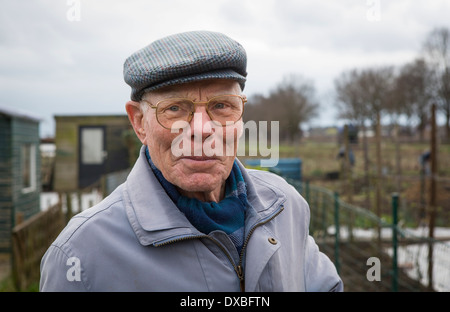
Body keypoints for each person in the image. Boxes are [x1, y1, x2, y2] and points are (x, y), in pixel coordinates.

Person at [40, 31, 343, 292]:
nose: (201, 129)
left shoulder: (284, 205)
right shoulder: (81, 252)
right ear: (139, 123)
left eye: (222, 105)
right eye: (174, 109)